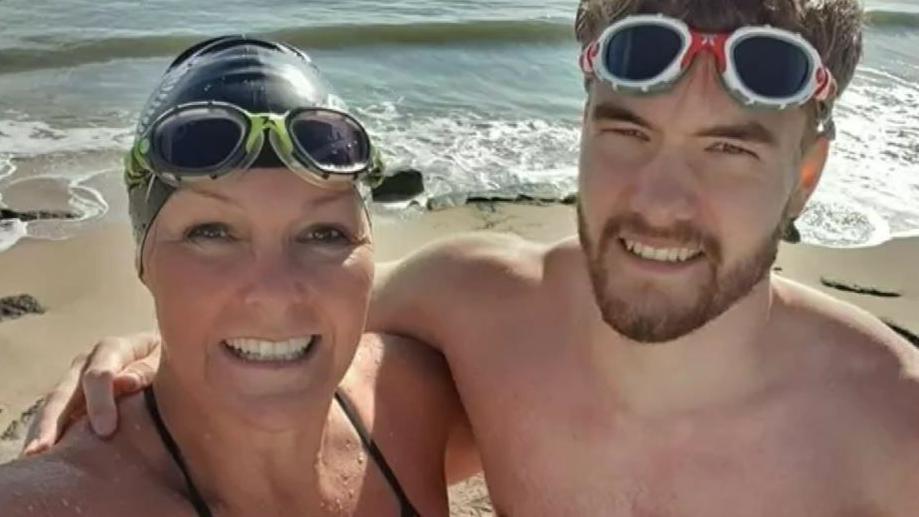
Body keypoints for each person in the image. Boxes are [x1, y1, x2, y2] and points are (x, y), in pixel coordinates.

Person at [25, 1, 919, 515]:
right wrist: (148, 348)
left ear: (806, 172)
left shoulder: (892, 427)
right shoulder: (472, 309)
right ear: (580, 128)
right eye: (627, 131)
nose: (658, 200)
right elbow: (289, 329)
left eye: (728, 150)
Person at [0, 36, 473, 516]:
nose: (274, 296)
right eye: (213, 232)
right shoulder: (59, 500)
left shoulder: (412, 404)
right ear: (144, 258)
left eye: (325, 233)